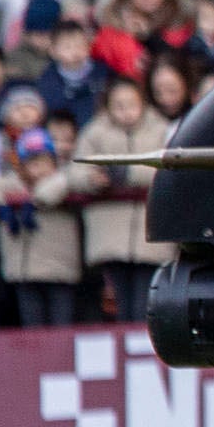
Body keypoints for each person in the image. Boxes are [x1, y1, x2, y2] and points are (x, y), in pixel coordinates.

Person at [68, 72, 171, 322]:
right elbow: (75, 171)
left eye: (132, 105)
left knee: (148, 302)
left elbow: (168, 168)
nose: (126, 112)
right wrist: (91, 180)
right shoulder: (94, 132)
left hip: (151, 237)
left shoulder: (161, 129)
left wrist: (123, 173)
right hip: (109, 236)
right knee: (119, 304)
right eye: (119, 106)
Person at [0, 85, 79, 325]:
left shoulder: (64, 178)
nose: (39, 167)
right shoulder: (12, 183)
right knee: (32, 328)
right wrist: (9, 201)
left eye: (44, 160)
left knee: (61, 327)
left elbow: (79, 176)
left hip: (59, 270)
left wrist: (41, 194)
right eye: (32, 162)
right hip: (23, 270)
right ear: (21, 165)